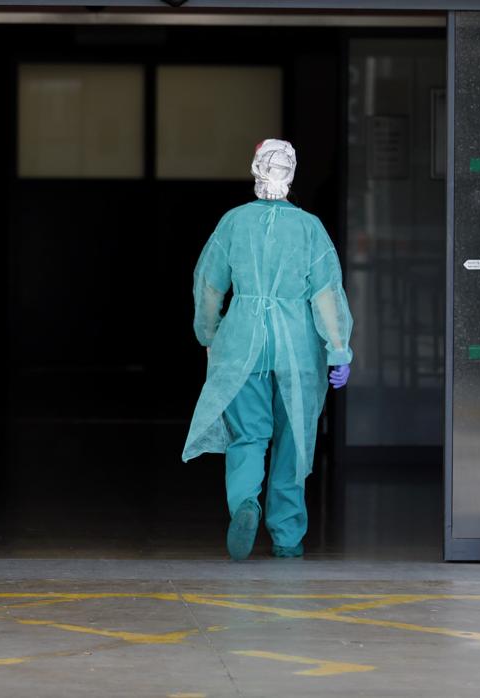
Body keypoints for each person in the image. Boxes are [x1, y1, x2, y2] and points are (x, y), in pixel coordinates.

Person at [182, 139, 354, 561]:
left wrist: (208, 334)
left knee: (248, 436)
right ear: (291, 175)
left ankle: (244, 500)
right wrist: (338, 348)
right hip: (297, 347)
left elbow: (209, 284)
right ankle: (287, 535)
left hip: (242, 343)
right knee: (295, 439)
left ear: (255, 170)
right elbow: (327, 293)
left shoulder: (233, 223)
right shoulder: (311, 228)